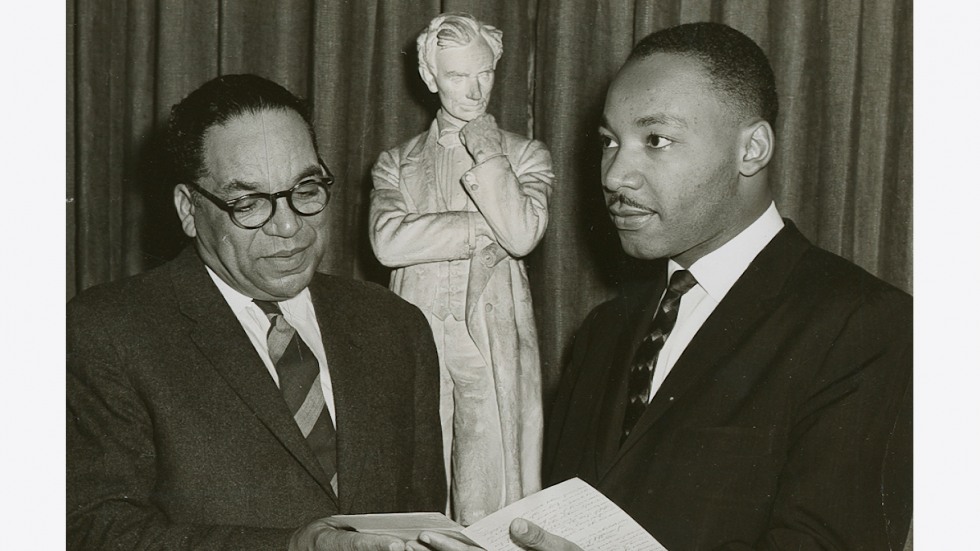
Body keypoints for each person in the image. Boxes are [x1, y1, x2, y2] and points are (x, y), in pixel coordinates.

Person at [417, 22, 912, 551]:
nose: (613, 175)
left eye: (656, 140)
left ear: (752, 149)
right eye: (609, 142)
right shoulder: (602, 334)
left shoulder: (866, 324)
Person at [67, 74, 446, 551]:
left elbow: (425, 520)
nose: (288, 226)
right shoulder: (107, 332)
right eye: (248, 202)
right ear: (189, 209)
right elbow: (90, 532)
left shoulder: (394, 325)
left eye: (306, 189)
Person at [369, 13, 554, 525]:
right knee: (415, 479)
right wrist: (478, 228)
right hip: (416, 332)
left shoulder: (524, 156)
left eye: (484, 73)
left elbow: (520, 233)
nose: (474, 90)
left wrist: (489, 152)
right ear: (430, 79)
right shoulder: (395, 162)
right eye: (456, 76)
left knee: (486, 488)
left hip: (485, 337)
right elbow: (388, 241)